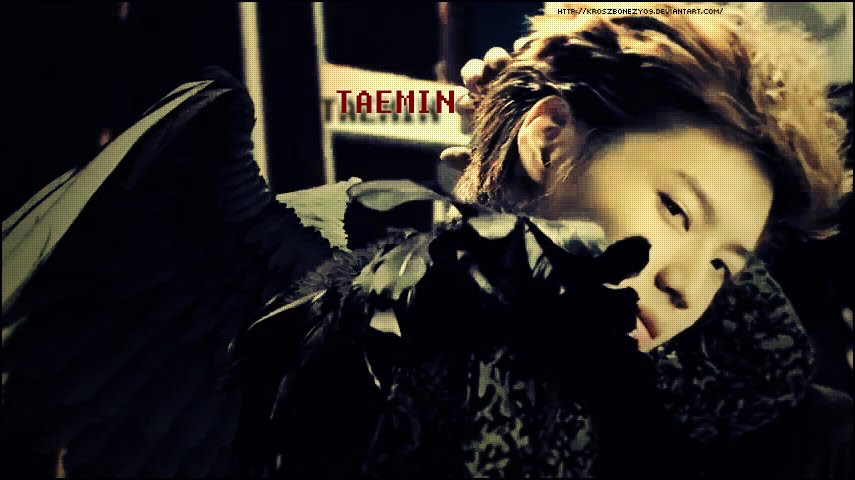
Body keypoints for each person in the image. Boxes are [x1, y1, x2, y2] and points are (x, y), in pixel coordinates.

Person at [226, 2, 851, 478]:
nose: (685, 286)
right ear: (549, 140)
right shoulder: (371, 365)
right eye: (675, 210)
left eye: (722, 266)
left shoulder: (759, 418)